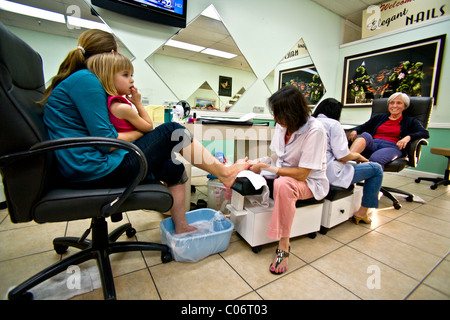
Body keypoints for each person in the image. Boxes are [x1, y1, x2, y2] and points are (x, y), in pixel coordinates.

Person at [42, 29, 249, 234]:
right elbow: (106, 143)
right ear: (113, 56)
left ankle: (182, 226)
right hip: (92, 169)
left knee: (173, 167)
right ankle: (224, 173)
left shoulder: (81, 81)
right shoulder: (86, 81)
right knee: (173, 130)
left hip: (85, 164)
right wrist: (142, 134)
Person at [248, 85, 329, 275]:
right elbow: (278, 154)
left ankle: (284, 245)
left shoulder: (315, 131)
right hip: (284, 172)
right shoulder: (283, 125)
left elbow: (302, 174)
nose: (275, 119)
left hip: (309, 182)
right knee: (246, 167)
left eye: (279, 114)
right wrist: (261, 162)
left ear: (293, 113)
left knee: (283, 184)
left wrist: (268, 168)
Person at [312, 98, 383, 224]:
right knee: (376, 169)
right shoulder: (333, 124)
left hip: (311, 171)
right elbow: (342, 156)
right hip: (330, 173)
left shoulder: (308, 122)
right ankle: (362, 213)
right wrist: (357, 156)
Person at [348, 92, 429, 169]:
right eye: (391, 103)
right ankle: (347, 162)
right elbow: (363, 127)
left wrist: (408, 137)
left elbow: (425, 133)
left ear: (405, 106)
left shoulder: (410, 121)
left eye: (399, 103)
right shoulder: (379, 117)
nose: (394, 105)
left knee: (376, 159)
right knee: (365, 135)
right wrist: (355, 130)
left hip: (392, 147)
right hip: (373, 144)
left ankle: (368, 177)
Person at [86, 52, 153, 133]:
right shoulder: (122, 108)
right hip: (132, 144)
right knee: (168, 128)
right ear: (109, 77)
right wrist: (138, 103)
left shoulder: (108, 102)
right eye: (125, 75)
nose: (132, 80)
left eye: (131, 75)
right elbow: (149, 127)